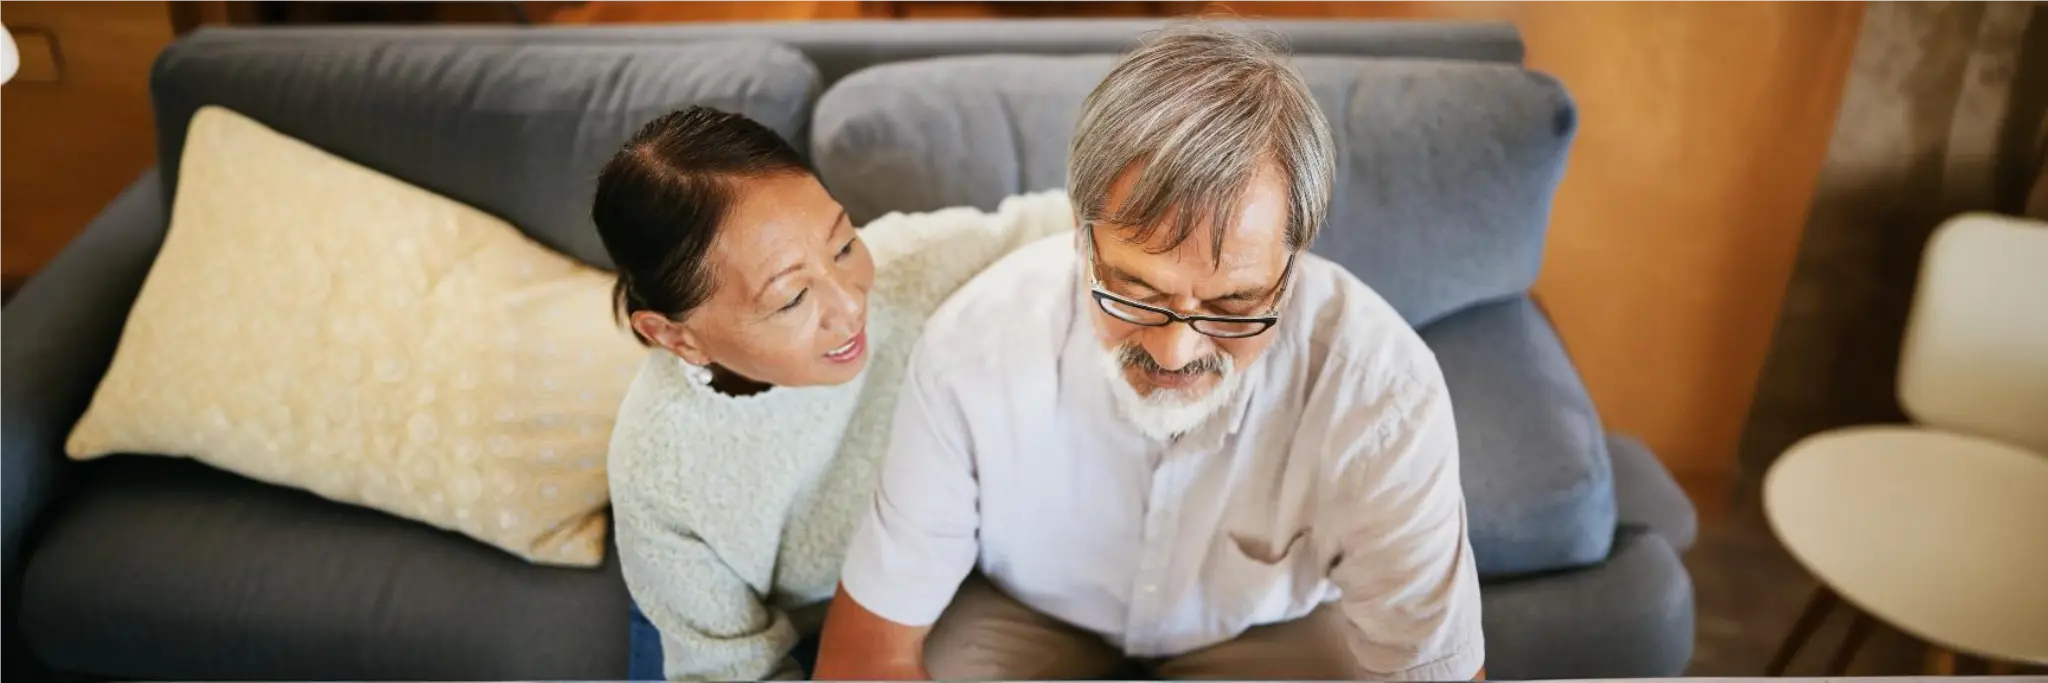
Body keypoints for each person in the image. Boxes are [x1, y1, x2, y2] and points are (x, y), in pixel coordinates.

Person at [814, 24, 1486, 681]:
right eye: (1135, 291)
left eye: (1233, 305)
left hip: (1271, 629)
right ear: (1081, 237)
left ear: (1295, 260)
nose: (1176, 348)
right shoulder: (970, 348)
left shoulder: (1385, 392)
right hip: (1026, 613)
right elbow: (864, 658)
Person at [594, 106, 1073, 681]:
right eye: (792, 298)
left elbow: (1067, 224)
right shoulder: (658, 470)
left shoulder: (908, 267)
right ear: (677, 336)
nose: (850, 305)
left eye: (844, 246)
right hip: (739, 640)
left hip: (898, 594)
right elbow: (733, 669)